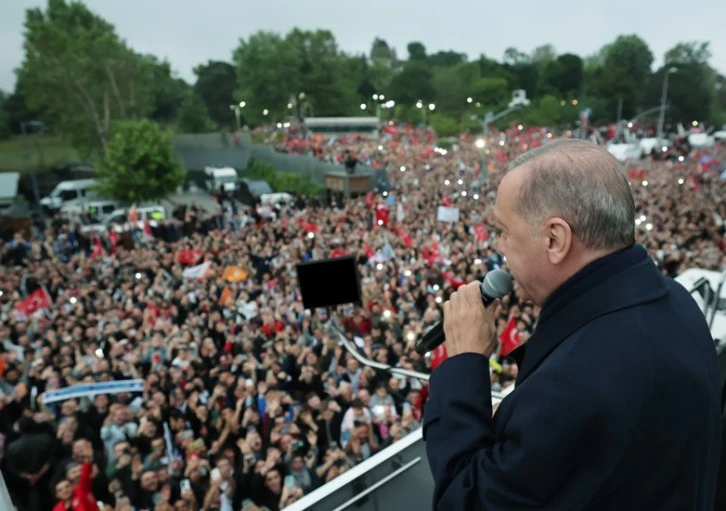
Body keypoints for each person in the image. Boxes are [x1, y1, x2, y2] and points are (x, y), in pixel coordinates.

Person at [423, 139, 722, 510]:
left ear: (555, 239)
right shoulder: (677, 301)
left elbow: (464, 499)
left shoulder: (574, 385)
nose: (500, 247)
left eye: (505, 231)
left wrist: (465, 361)